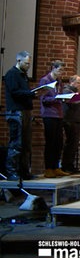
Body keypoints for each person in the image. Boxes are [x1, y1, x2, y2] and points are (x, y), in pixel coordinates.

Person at [4, 51, 41, 181]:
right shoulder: (12, 74)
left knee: (26, 144)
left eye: (29, 64)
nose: (28, 66)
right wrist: (30, 94)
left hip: (25, 111)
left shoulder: (23, 75)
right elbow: (15, 92)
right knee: (16, 143)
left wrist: (32, 94)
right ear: (18, 61)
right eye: (26, 63)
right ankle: (12, 171)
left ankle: (25, 171)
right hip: (16, 112)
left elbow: (24, 92)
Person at [39, 60, 69, 178]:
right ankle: (48, 168)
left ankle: (56, 167)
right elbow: (44, 99)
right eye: (59, 70)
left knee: (58, 142)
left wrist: (63, 98)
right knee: (50, 142)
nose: (61, 72)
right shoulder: (45, 80)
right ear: (53, 68)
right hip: (49, 114)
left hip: (58, 114)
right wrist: (57, 98)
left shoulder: (59, 82)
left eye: (63, 70)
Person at [61, 75, 80, 174]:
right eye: (79, 82)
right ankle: (66, 165)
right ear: (72, 82)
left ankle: (70, 165)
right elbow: (73, 103)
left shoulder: (76, 93)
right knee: (71, 143)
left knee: (74, 144)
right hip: (70, 120)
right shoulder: (67, 91)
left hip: (76, 119)